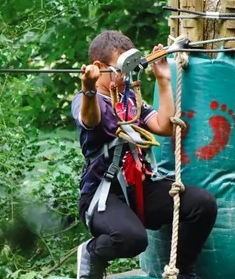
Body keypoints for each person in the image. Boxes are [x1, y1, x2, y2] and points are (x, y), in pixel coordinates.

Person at [71, 30, 218, 279]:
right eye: (120, 69)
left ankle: (181, 270)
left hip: (138, 186)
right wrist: (88, 88)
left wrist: (163, 80)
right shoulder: (87, 101)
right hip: (102, 195)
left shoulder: (130, 98)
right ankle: (92, 253)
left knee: (202, 204)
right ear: (99, 67)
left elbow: (164, 126)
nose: (126, 75)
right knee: (133, 239)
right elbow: (90, 119)